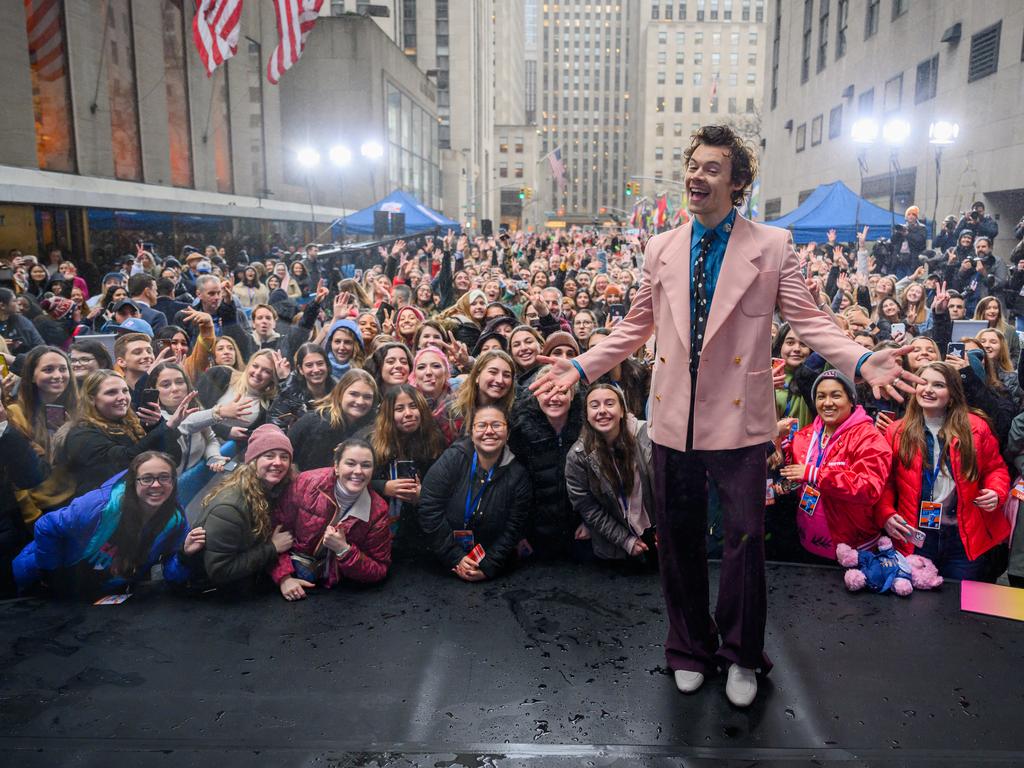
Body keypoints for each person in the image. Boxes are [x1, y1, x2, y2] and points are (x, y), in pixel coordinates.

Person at [532, 125, 913, 707]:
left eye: (712, 168)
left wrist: (861, 358)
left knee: (744, 541)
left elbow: (809, 322)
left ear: (737, 183)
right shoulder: (659, 247)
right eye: (692, 165)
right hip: (672, 421)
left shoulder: (774, 245)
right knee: (678, 540)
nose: (696, 176)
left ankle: (740, 654)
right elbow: (636, 326)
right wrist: (580, 367)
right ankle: (687, 647)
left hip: (740, 423)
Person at [876, 362, 1010, 580]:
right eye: (923, 383)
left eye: (938, 385)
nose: (928, 389)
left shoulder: (976, 427)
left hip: (963, 537)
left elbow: (996, 468)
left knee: (963, 603)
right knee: (917, 604)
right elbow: (885, 482)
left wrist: (996, 491)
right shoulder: (896, 431)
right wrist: (886, 514)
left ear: (953, 394)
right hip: (916, 536)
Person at [12, 451, 204, 598]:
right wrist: (51, 573)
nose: (156, 485)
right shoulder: (99, 506)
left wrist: (184, 556)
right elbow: (46, 525)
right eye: (147, 478)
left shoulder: (175, 520)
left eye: (164, 477)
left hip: (101, 594)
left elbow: (172, 575)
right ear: (133, 482)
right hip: (43, 584)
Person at [778, 370, 893, 559]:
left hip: (853, 549)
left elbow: (870, 488)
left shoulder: (869, 437)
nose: (827, 403)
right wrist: (780, 443)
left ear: (851, 400)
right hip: (807, 543)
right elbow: (794, 473)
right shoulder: (805, 435)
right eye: (821, 396)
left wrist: (816, 475)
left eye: (836, 395)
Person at [418, 404, 531, 581]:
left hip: (496, 570)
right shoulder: (453, 459)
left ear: (508, 434)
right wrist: (455, 557)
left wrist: (489, 566)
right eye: (481, 425)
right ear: (471, 432)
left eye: (496, 425)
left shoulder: (518, 475)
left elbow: (514, 528)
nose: (489, 431)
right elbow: (429, 508)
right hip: (442, 568)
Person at [271, 438, 392, 599]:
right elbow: (273, 534)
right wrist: (284, 578)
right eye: (350, 463)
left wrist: (344, 550)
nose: (358, 471)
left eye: (366, 465)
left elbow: (379, 569)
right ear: (336, 466)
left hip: (339, 593)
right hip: (288, 582)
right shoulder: (306, 483)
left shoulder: (378, 510)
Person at [194, 424, 295, 592]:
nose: (278, 462)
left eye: (284, 457)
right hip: (213, 597)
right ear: (253, 461)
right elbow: (220, 571)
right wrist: (272, 548)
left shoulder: (273, 489)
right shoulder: (229, 508)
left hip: (248, 581)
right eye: (269, 456)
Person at [564, 382, 656, 565]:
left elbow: (666, 485)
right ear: (587, 415)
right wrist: (624, 540)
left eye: (609, 403)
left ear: (622, 411)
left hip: (656, 535)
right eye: (594, 405)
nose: (602, 410)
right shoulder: (578, 456)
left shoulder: (647, 436)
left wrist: (665, 527)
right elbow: (588, 508)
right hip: (614, 544)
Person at [61, 370, 186, 495]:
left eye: (125, 391)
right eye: (111, 392)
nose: (122, 398)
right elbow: (125, 462)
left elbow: (173, 458)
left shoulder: (134, 422)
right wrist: (165, 427)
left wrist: (157, 425)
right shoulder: (81, 434)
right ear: (91, 399)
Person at [509, 366, 586, 558]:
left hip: (579, 535)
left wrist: (590, 523)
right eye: (546, 391)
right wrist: (518, 534)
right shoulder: (521, 431)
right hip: (535, 537)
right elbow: (512, 488)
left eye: (561, 391)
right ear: (536, 395)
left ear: (572, 395)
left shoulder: (587, 429)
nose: (554, 398)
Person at [370, 384, 446, 557]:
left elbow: (445, 485)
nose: (408, 413)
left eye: (413, 406)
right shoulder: (372, 442)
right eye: (399, 408)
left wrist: (423, 494)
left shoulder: (434, 440)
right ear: (389, 414)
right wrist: (384, 486)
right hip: (381, 524)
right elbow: (356, 482)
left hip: (420, 526)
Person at [6, 346, 79, 525]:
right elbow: (15, 476)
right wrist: (32, 516)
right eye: (48, 369)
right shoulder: (15, 413)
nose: (58, 375)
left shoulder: (78, 409)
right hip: (42, 511)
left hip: (77, 502)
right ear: (31, 376)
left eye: (63, 369)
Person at [287, 369, 378, 471]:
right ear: (340, 393)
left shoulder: (373, 430)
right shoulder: (313, 420)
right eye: (353, 394)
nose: (360, 401)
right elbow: (286, 452)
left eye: (367, 397)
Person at [267, 343, 335, 430]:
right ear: (300, 369)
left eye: (320, 363)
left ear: (327, 366)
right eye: (309, 365)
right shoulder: (288, 395)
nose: (316, 369)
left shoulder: (339, 392)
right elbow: (274, 429)